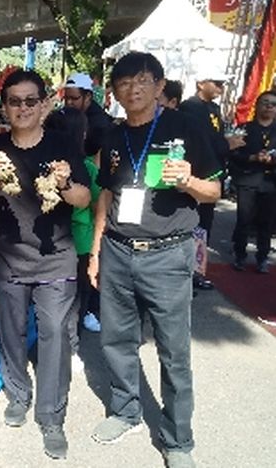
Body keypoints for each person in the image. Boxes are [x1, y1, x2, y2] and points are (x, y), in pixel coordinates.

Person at [88, 52, 221, 468]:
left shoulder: (187, 127)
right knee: (116, 339)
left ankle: (178, 440)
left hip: (167, 254)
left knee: (173, 350)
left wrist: (189, 181)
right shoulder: (112, 135)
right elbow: (106, 197)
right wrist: (95, 253)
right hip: (117, 249)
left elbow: (213, 193)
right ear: (114, 91)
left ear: (160, 86)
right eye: (124, 83)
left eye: (143, 80)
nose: (133, 89)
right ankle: (125, 410)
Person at [0, 69, 90, 460]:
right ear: (5, 106)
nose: (22, 108)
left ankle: (51, 417)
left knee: (54, 337)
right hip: (7, 261)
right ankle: (18, 395)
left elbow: (84, 199)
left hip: (55, 260)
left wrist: (65, 184)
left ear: (44, 104)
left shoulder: (63, 144)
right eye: (14, 101)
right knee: (11, 333)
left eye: (30, 101)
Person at [43, 107, 102, 368]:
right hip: (78, 243)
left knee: (52, 301)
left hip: (47, 242)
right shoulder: (86, 168)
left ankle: (55, 348)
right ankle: (71, 349)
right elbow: (99, 203)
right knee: (75, 300)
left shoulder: (42, 168)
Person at [178, 68, 237, 290]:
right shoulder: (190, 109)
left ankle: (198, 272)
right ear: (201, 83)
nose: (221, 87)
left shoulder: (214, 108)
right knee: (194, 226)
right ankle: (188, 273)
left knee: (205, 227)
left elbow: (216, 138)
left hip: (212, 176)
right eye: (217, 82)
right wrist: (226, 144)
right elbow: (204, 142)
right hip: (194, 179)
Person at [229, 90, 276, 273]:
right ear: (257, 106)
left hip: (270, 181)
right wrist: (252, 158)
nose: (269, 107)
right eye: (265, 103)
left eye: (273, 104)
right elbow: (233, 155)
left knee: (267, 222)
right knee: (244, 220)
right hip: (248, 179)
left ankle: (262, 258)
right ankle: (240, 256)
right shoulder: (245, 129)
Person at [63, 71, 114, 159]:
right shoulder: (66, 115)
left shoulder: (99, 125)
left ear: (88, 97)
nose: (68, 102)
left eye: (74, 98)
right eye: (66, 98)